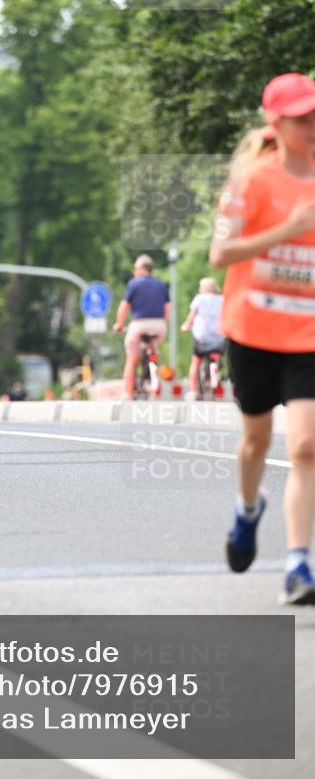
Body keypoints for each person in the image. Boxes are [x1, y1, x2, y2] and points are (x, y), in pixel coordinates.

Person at [210, 72, 315, 606]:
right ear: (276, 123)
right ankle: (248, 509)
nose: (312, 125)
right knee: (255, 441)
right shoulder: (253, 181)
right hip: (252, 332)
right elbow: (220, 256)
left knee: (305, 445)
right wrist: (287, 229)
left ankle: (298, 563)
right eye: (301, 118)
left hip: (309, 335)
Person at [112, 254, 170, 399]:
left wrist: (119, 324)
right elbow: (167, 307)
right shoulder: (161, 284)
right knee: (153, 352)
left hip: (139, 324)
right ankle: (154, 380)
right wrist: (163, 322)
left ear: (140, 269)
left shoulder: (134, 284)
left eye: (135, 268)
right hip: (159, 325)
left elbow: (125, 306)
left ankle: (129, 393)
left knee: (132, 359)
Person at [180, 277, 225, 397]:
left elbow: (192, 317)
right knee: (217, 356)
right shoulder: (222, 299)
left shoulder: (199, 299)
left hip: (202, 338)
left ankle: (194, 391)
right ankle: (216, 371)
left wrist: (186, 326)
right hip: (218, 337)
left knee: (196, 362)